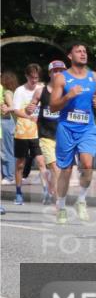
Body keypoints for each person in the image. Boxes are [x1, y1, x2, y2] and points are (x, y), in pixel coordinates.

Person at [48, 42, 96, 224]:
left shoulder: (94, 77)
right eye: (78, 51)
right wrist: (68, 96)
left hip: (87, 127)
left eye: (85, 51)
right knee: (66, 169)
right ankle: (61, 206)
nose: (83, 54)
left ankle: (81, 200)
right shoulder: (61, 79)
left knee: (87, 165)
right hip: (66, 127)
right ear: (70, 56)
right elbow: (53, 106)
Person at [11, 64, 48, 206]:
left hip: (38, 132)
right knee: (20, 164)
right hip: (22, 132)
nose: (34, 80)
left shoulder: (42, 89)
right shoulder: (20, 91)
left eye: (36, 78)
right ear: (26, 76)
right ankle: (19, 193)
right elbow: (16, 110)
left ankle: (46, 191)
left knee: (41, 162)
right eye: (31, 78)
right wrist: (28, 116)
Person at [31, 61, 66, 206]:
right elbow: (31, 107)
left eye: (61, 71)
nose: (58, 73)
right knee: (55, 168)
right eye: (55, 70)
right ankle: (59, 203)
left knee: (61, 170)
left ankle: (50, 189)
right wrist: (30, 109)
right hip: (46, 136)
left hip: (63, 135)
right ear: (50, 73)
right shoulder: (41, 91)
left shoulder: (66, 91)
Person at [1, 71, 17, 184]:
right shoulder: (10, 92)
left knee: (6, 150)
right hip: (8, 122)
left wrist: (6, 109)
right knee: (7, 149)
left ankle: (9, 176)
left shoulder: (6, 93)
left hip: (6, 122)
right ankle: (9, 175)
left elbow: (13, 107)